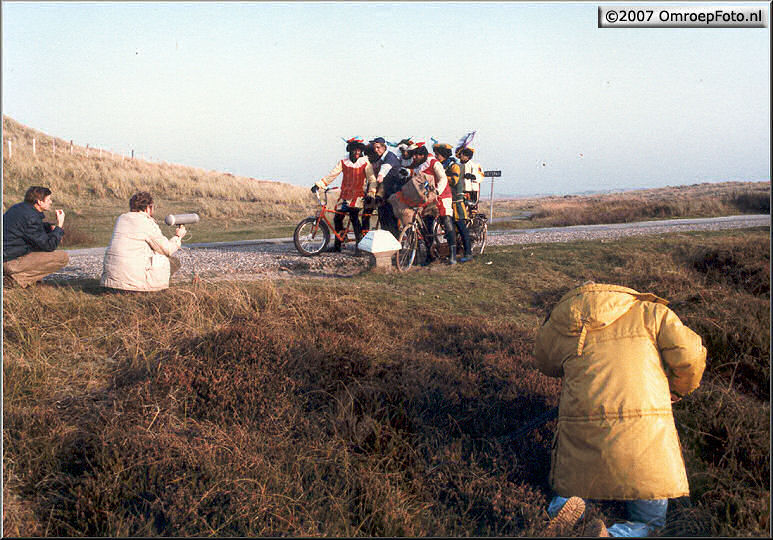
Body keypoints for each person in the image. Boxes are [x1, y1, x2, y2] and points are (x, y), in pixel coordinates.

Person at [534, 282, 707, 537]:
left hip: (581, 428)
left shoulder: (563, 320)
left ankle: (563, 508)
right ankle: (617, 535)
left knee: (575, 476)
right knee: (652, 519)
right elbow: (690, 355)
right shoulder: (651, 313)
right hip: (645, 434)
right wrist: (678, 389)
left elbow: (544, 363)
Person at [101, 191, 185, 292]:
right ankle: (149, 286)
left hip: (109, 283)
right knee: (174, 261)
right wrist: (178, 237)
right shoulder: (146, 222)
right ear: (148, 207)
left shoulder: (121, 219)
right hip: (131, 286)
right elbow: (166, 249)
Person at [3, 186, 69, 288]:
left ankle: (33, 283)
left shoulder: (18, 208)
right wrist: (59, 225)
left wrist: (49, 227)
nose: (50, 202)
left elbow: (27, 228)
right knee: (62, 257)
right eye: (48, 200)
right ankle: (14, 281)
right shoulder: (32, 217)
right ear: (39, 202)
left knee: (37, 247)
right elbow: (49, 246)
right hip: (10, 261)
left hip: (6, 255)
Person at [312, 137, 370, 252]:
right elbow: (332, 175)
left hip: (358, 195)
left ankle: (360, 247)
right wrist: (319, 184)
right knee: (338, 218)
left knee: (354, 216)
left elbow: (371, 179)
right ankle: (338, 245)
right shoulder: (343, 162)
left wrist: (371, 192)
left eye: (359, 150)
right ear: (350, 150)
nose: (357, 152)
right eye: (354, 150)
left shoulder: (365, 162)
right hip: (345, 194)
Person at [407, 141, 457, 265]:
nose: (414, 157)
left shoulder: (434, 163)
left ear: (423, 155)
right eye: (413, 155)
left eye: (417, 155)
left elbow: (443, 178)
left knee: (446, 220)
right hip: (427, 199)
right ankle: (430, 255)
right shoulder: (417, 167)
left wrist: (438, 191)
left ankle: (453, 253)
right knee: (426, 226)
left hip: (442, 195)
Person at [433, 142, 472, 263]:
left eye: (438, 154)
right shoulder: (441, 165)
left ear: (443, 155)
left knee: (461, 227)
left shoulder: (454, 166)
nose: (436, 157)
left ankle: (468, 253)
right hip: (446, 200)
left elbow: (454, 181)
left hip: (456, 201)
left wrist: (441, 177)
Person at [367, 136, 404, 238]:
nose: (376, 150)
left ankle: (395, 242)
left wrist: (380, 176)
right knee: (383, 217)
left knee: (390, 219)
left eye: (378, 147)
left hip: (393, 191)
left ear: (384, 147)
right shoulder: (380, 158)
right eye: (375, 148)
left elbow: (385, 169)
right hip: (386, 193)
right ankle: (388, 242)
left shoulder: (389, 157)